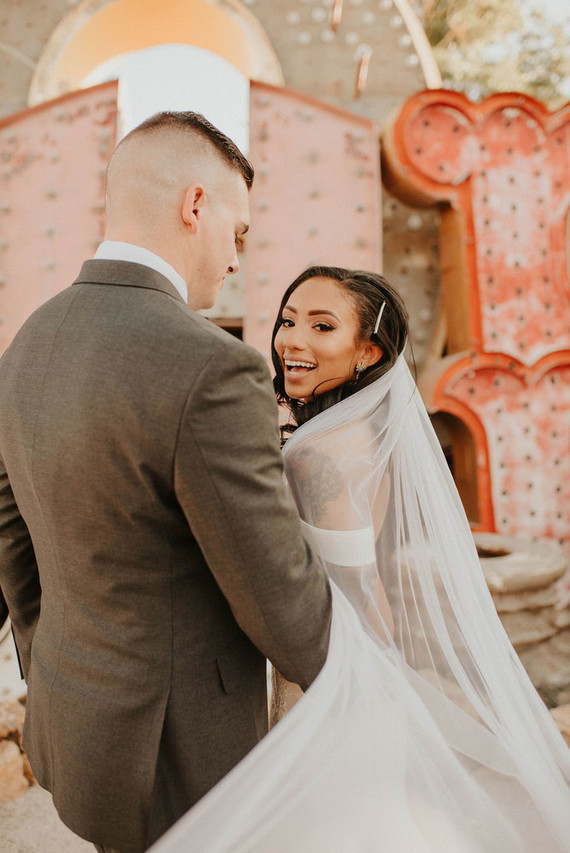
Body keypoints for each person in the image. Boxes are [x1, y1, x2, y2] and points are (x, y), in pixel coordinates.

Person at [149, 266, 570, 852]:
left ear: (367, 351)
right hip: (343, 652)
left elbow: (352, 581)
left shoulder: (319, 452)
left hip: (320, 666)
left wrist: (362, 687)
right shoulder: (348, 432)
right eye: (289, 321)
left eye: (323, 326)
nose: (293, 341)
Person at [0, 114, 332, 853]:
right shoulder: (212, 366)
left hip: (78, 728)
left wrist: (48, 658)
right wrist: (373, 685)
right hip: (180, 759)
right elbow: (278, 599)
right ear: (194, 206)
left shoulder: (27, 341)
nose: (237, 258)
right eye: (238, 231)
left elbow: (12, 534)